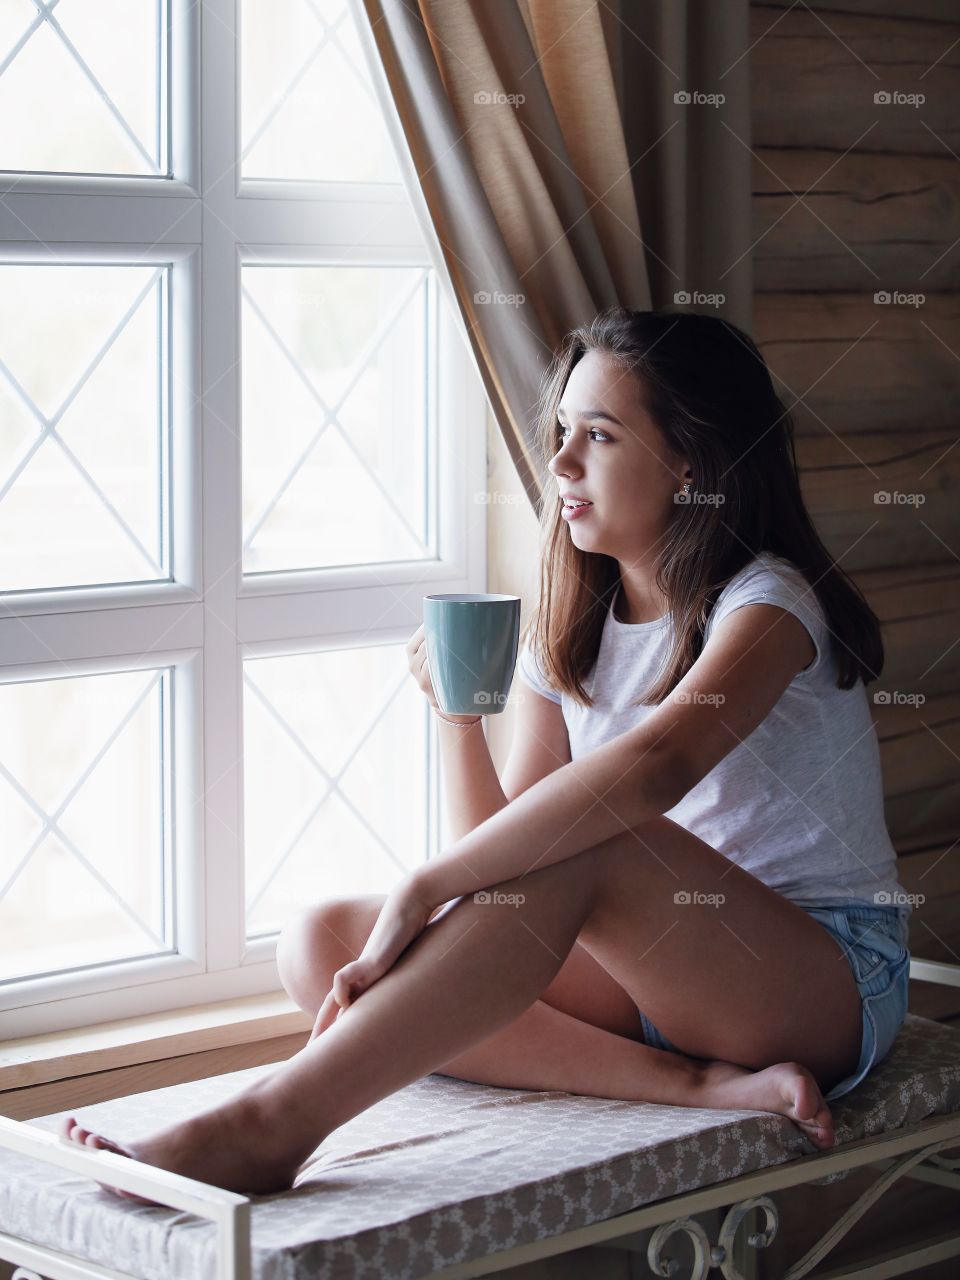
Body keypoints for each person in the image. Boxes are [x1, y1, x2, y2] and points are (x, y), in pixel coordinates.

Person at [62, 307, 912, 1199]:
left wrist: (420, 889)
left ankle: (268, 1126)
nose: (561, 463)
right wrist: (457, 718)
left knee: (598, 834)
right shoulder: (574, 626)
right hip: (658, 984)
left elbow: (655, 768)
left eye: (600, 435)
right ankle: (693, 1084)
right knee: (321, 943)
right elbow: (507, 870)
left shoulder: (769, 603)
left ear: (690, 460)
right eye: (561, 432)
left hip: (819, 976)